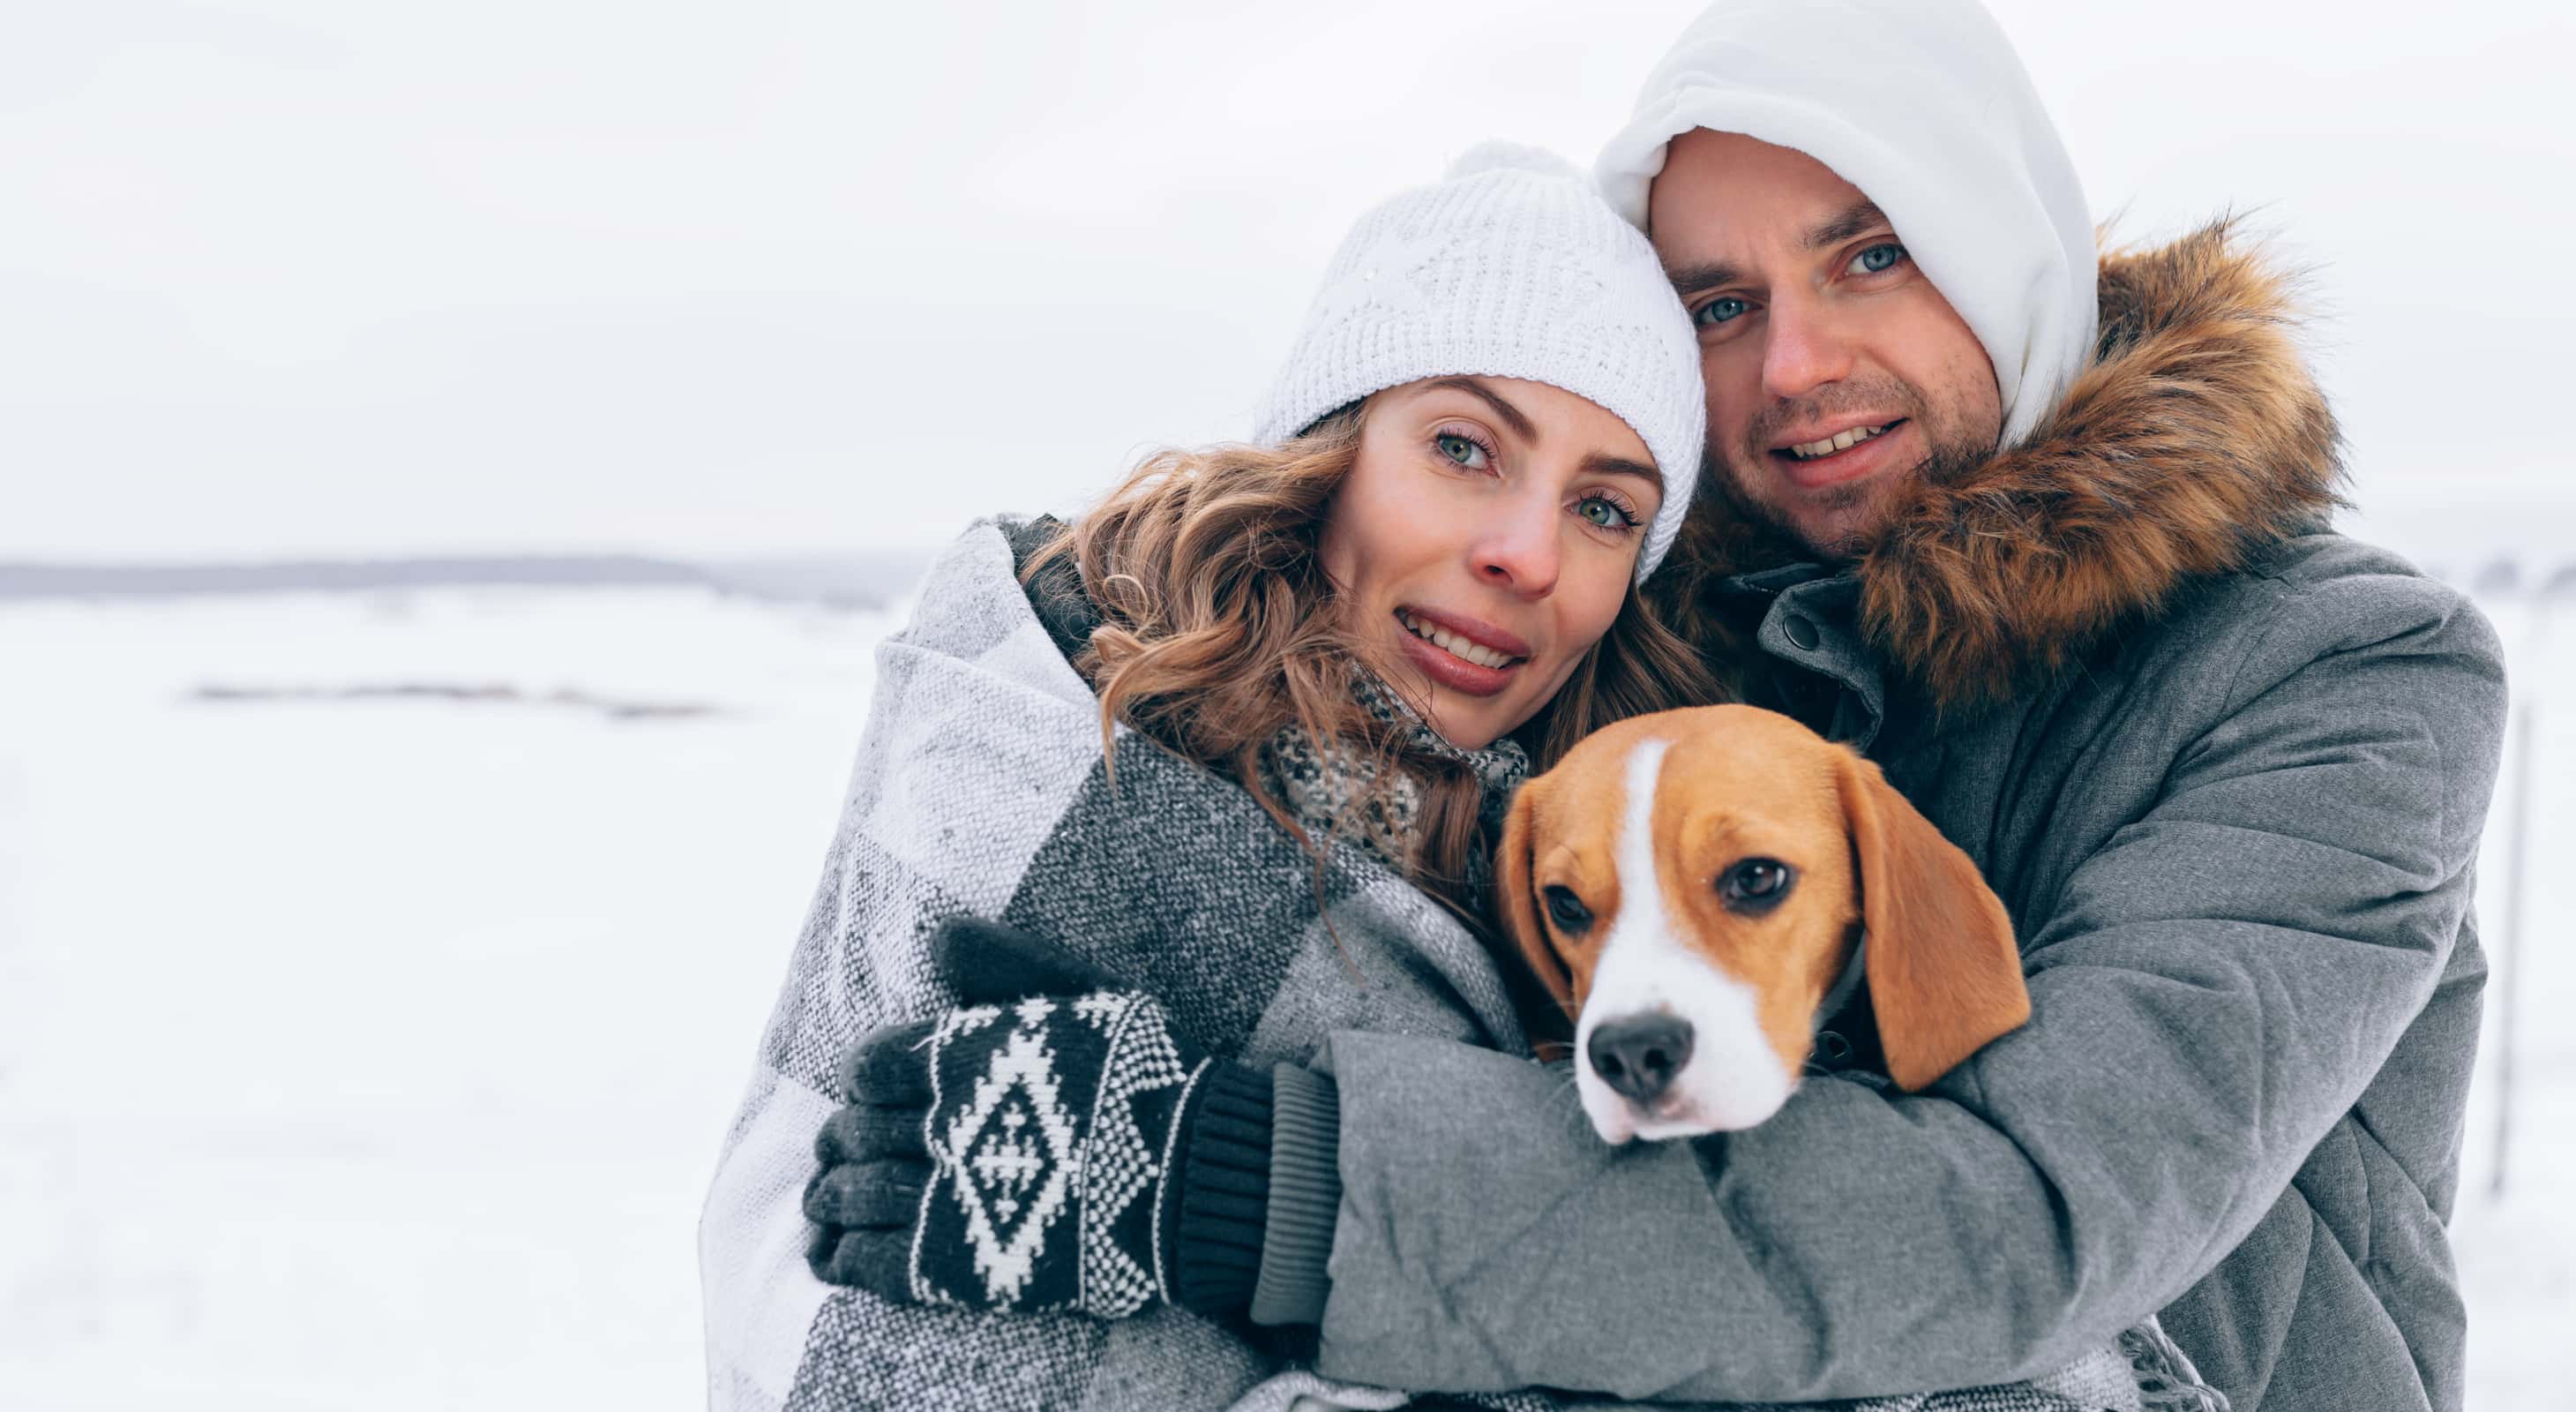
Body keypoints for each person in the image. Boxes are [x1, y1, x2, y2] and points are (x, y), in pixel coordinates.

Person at [807, 3, 2506, 1411]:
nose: (1792, 365)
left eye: (1871, 256)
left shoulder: (2347, 675)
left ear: (2006, 257)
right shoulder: (1659, 662)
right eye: (1718, 304)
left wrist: (1251, 1174)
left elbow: (2023, 1217)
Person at [698, 145, 1719, 1410]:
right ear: (1330, 447)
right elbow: (827, 1321)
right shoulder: (1061, 745)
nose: (1527, 553)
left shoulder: (1611, 893)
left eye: (1607, 510)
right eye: (1464, 446)